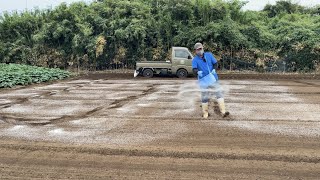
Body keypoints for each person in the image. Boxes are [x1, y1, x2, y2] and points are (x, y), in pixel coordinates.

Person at [192, 42, 230, 118]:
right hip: (203, 80)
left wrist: (214, 69)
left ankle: (223, 112)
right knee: (204, 96)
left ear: (203, 48)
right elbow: (194, 69)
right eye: (198, 49)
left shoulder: (209, 55)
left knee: (218, 93)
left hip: (213, 78)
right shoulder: (195, 60)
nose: (199, 50)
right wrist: (197, 72)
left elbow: (215, 64)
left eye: (200, 49)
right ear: (195, 51)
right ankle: (205, 114)